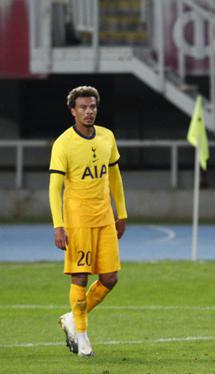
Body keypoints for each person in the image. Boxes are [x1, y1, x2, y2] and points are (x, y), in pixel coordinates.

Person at [49, 86, 127, 357]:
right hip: (77, 220)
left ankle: (71, 317)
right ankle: (82, 335)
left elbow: (115, 178)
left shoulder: (107, 137)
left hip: (105, 217)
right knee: (80, 277)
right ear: (73, 111)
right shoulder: (63, 143)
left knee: (110, 278)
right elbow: (54, 188)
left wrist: (122, 213)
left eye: (92, 106)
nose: (88, 111)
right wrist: (58, 225)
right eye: (82, 107)